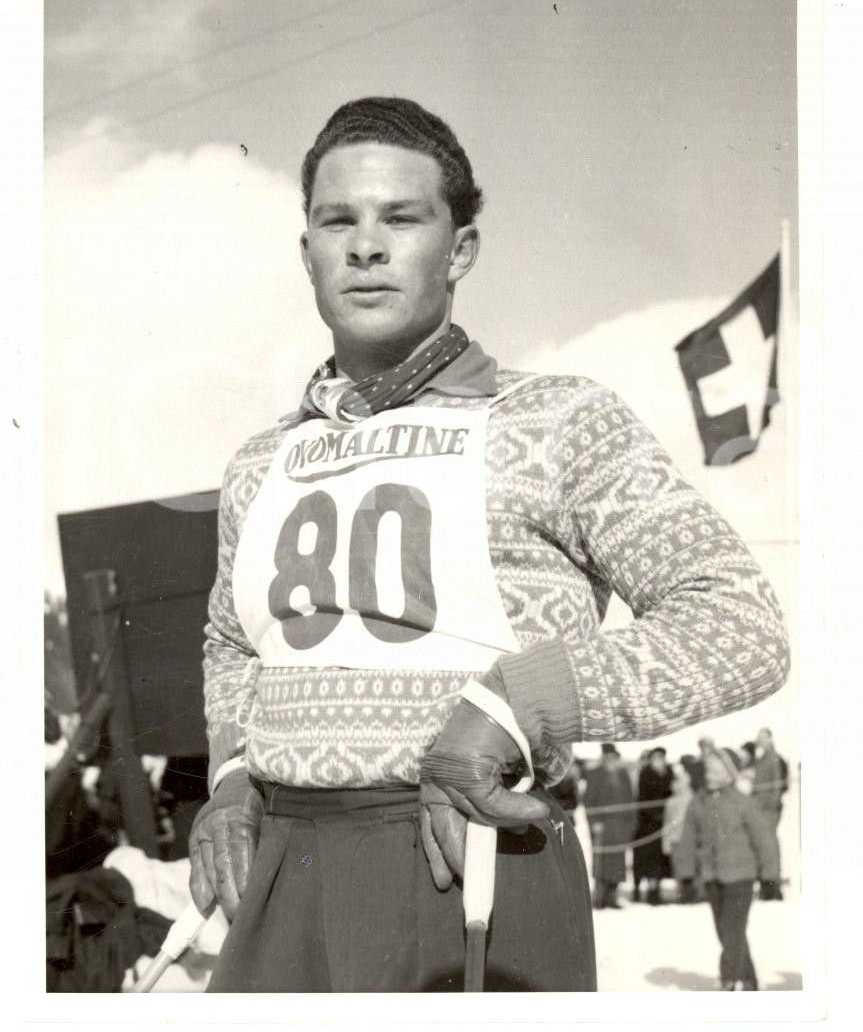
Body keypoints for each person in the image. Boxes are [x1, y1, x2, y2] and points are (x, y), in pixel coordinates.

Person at [187, 96, 789, 992]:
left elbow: (740, 625)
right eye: (336, 220)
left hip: (470, 853)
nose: (365, 245)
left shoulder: (554, 420)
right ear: (306, 250)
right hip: (283, 869)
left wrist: (516, 703)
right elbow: (233, 643)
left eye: (402, 217)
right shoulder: (259, 461)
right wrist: (233, 775)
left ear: (459, 248)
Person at [676, 748, 780, 990]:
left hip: (740, 876)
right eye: (709, 769)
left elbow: (764, 840)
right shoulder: (698, 801)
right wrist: (686, 874)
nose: (710, 774)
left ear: (730, 774)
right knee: (726, 931)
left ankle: (730, 980)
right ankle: (749, 981)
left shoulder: (742, 802)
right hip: (712, 876)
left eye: (717, 770)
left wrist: (769, 877)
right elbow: (688, 839)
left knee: (732, 929)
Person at [584, 744, 636, 910]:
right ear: (604, 757)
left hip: (620, 825)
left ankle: (613, 896)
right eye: (608, 757)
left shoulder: (623, 775)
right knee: (602, 861)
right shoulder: (595, 775)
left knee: (618, 862)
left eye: (614, 757)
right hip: (603, 826)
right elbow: (588, 801)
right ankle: (600, 897)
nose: (611, 761)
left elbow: (631, 800)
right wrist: (594, 823)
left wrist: (631, 823)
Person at [632, 746, 674, 904]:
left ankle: (654, 891)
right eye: (656, 757)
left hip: (662, 823)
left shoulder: (668, 773)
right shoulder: (646, 773)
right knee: (644, 859)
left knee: (657, 860)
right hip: (646, 824)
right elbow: (643, 798)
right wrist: (656, 814)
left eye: (661, 757)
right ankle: (639, 890)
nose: (659, 761)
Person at [752, 727, 788, 900]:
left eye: (763, 737)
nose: (760, 740)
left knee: (769, 847)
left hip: (768, 810)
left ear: (770, 739)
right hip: (760, 809)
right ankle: (768, 885)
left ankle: (773, 888)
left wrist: (772, 806)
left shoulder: (773, 758)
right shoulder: (761, 758)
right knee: (764, 847)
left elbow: (777, 785)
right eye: (759, 738)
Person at [663, 762, 696, 903]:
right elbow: (667, 822)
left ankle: (692, 894)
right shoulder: (670, 802)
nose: (677, 785)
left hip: (689, 839)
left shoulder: (692, 798)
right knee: (678, 869)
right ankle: (681, 894)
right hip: (675, 839)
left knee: (690, 868)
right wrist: (665, 842)